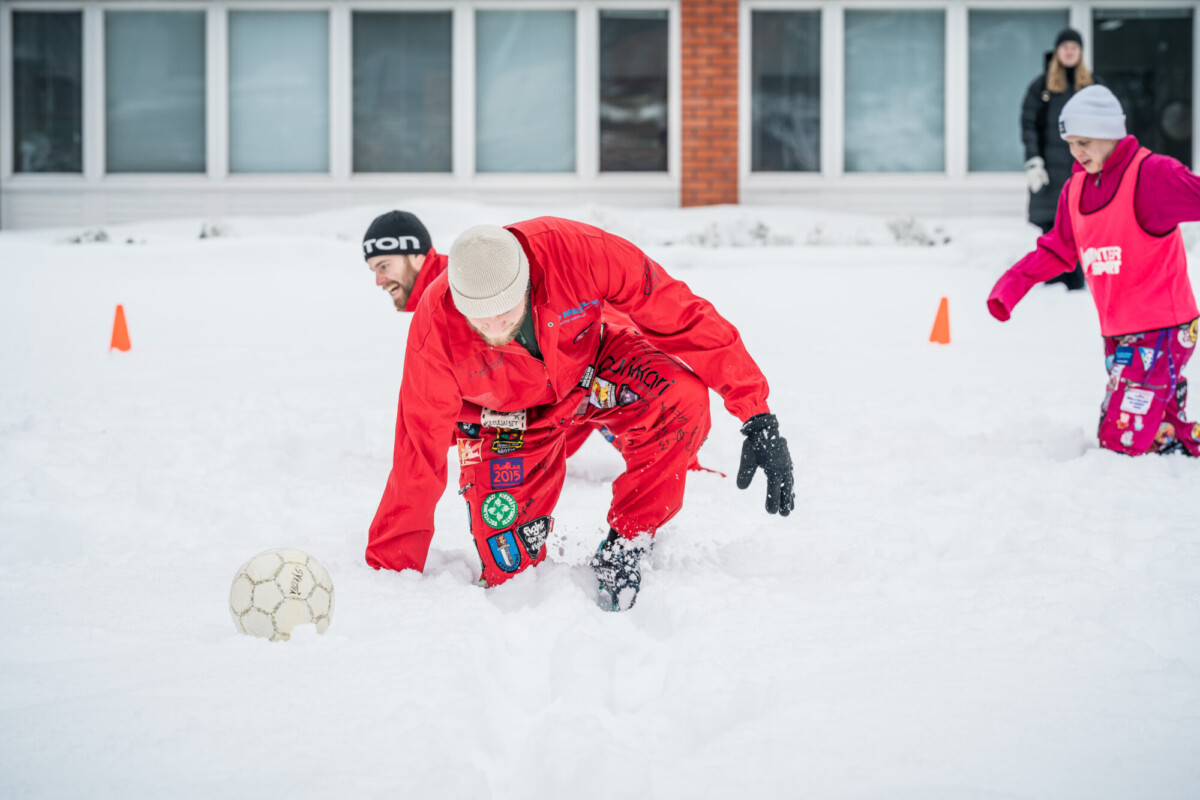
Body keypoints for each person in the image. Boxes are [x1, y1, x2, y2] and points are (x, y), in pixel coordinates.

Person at [366, 217, 795, 610]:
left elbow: (681, 315)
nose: (495, 328)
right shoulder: (434, 326)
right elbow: (417, 449)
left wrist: (756, 413)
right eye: (481, 318)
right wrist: (391, 576)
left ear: (528, 281)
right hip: (505, 425)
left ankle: (627, 542)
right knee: (510, 575)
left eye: (506, 311)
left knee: (680, 399)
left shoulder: (578, 252)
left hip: (591, 374)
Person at [988, 85, 1200, 457]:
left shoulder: (1152, 175)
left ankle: (1124, 490)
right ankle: (1179, 446)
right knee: (1160, 420)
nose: (1076, 152)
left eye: (1084, 141)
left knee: (1121, 435)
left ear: (1109, 135)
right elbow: (1057, 249)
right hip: (1118, 329)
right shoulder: (1075, 190)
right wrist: (1011, 285)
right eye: (1070, 143)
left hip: (1164, 327)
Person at [1020, 27, 1097, 291]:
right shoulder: (1041, 87)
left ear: (1080, 53)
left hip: (1081, 171)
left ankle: (1076, 283)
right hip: (1050, 173)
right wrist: (1033, 161)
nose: (1069, 51)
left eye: (1074, 47)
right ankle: (1052, 282)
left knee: (1079, 226)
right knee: (1053, 227)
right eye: (1065, 47)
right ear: (1057, 52)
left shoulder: (1092, 87)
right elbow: (1029, 124)